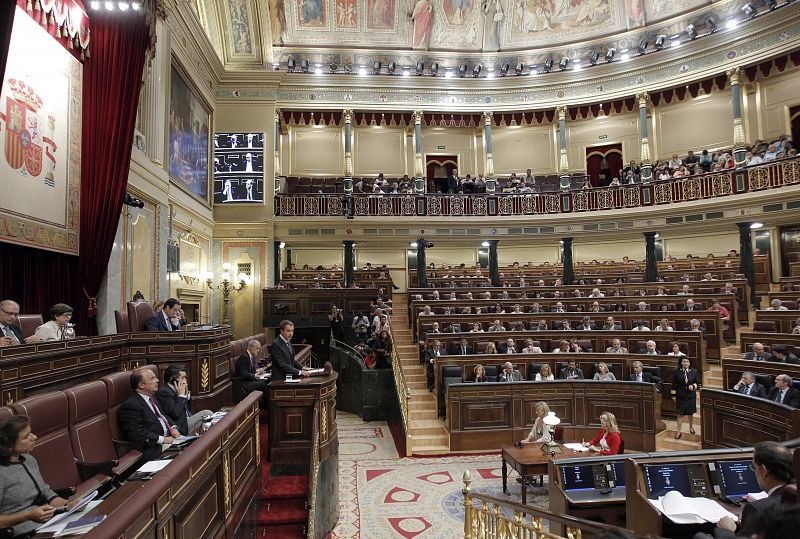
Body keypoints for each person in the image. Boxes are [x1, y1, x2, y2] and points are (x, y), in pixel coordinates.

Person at [0, 415, 73, 536]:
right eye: (26, 437)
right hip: (22, 533)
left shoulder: (29, 460)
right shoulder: (2, 472)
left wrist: (68, 505)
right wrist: (28, 515)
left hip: (51, 525)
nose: (34, 437)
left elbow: (46, 493)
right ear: (8, 445)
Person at [714, 441, 795, 538]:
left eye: (754, 467)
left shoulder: (757, 509)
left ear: (763, 471)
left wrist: (727, 530)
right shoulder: (794, 497)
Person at [118, 367, 182, 461]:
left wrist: (173, 428)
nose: (157, 380)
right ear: (141, 385)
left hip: (170, 439)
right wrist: (163, 439)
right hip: (154, 447)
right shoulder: (130, 406)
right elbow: (137, 433)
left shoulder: (151, 397)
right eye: (152, 378)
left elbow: (163, 416)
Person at [155, 365, 213, 434]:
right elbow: (175, 413)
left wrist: (186, 394)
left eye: (185, 377)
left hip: (186, 419)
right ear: (172, 379)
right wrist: (181, 396)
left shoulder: (178, 389)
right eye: (182, 378)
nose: (185, 381)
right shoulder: (164, 392)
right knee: (207, 413)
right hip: (179, 426)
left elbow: (187, 409)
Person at [235, 340, 270, 404]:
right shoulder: (244, 357)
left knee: (266, 381)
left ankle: (264, 404)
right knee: (263, 385)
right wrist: (254, 376)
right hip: (244, 384)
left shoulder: (252, 356)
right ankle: (267, 406)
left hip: (250, 381)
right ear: (251, 347)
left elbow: (251, 370)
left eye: (259, 349)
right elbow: (243, 374)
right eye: (257, 348)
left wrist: (258, 373)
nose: (258, 350)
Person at [672, 357, 699, 439]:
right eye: (684, 361)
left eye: (687, 362)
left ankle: (691, 427)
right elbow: (673, 385)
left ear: (690, 363)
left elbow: (697, 383)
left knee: (690, 413)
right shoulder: (676, 372)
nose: (686, 363)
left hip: (691, 396)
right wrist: (673, 396)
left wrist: (693, 386)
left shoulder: (694, 371)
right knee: (680, 414)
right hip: (680, 396)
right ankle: (678, 432)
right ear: (681, 363)